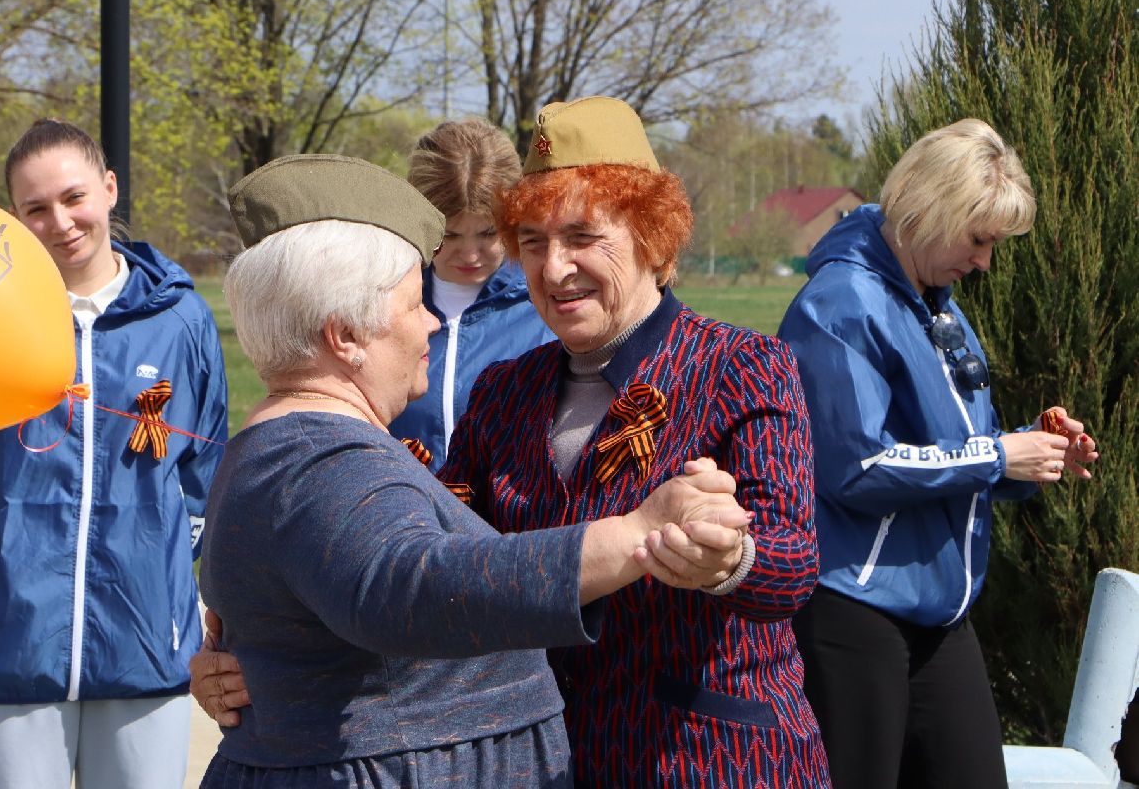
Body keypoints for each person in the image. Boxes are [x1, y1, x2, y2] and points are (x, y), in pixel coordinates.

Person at [195, 98, 830, 788]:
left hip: (700, 757)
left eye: (582, 237)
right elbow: (438, 565)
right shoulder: (505, 390)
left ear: (653, 238)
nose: (554, 268)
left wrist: (728, 557)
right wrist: (254, 647)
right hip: (546, 760)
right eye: (531, 241)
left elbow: (792, 566)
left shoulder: (741, 367)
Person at [777, 118, 1099, 789]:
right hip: (852, 608)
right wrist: (995, 456)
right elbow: (855, 467)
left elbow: (953, 440)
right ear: (927, 212)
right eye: (979, 239)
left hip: (936, 610)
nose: (985, 261)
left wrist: (1032, 449)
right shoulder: (839, 305)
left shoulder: (935, 301)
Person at [0, 118, 228, 789]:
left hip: (144, 643)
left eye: (73, 197)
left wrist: (158, 569)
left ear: (109, 188)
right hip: (11, 643)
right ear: (12, 216)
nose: (59, 221)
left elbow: (205, 469)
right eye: (34, 208)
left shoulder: (181, 319)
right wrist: (4, 564)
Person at [388, 119, 552, 470]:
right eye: (450, 236)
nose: (471, 254)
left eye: (487, 233)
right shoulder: (384, 304)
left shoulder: (547, 306)